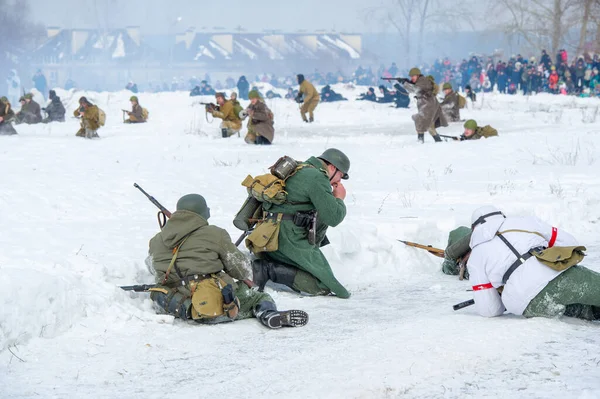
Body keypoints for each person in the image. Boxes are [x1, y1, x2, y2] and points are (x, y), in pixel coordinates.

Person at [146, 194, 308, 329]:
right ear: (202, 212)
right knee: (256, 296)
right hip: (210, 301)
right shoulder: (215, 234)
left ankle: (193, 309)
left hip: (179, 302)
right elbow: (241, 269)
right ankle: (267, 314)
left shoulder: (155, 241)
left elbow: (153, 269)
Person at [467, 205, 599, 321]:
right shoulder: (525, 221)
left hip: (525, 303)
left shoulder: (475, 258)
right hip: (554, 275)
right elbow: (570, 242)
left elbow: (490, 310)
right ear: (501, 215)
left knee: (580, 310)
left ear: (474, 229)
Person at [250, 149, 351, 299]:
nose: (339, 181)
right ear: (332, 167)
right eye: (340, 176)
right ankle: (268, 270)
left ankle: (271, 264)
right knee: (324, 286)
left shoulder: (298, 168)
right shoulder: (317, 177)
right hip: (288, 237)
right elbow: (333, 217)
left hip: (267, 234)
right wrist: (339, 199)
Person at [400, 68, 447, 143]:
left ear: (418, 75)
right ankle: (438, 141)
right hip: (426, 104)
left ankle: (420, 141)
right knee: (429, 125)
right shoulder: (419, 81)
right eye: (411, 76)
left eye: (413, 76)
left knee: (420, 120)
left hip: (428, 104)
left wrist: (404, 83)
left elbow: (415, 89)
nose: (412, 78)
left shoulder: (423, 81)